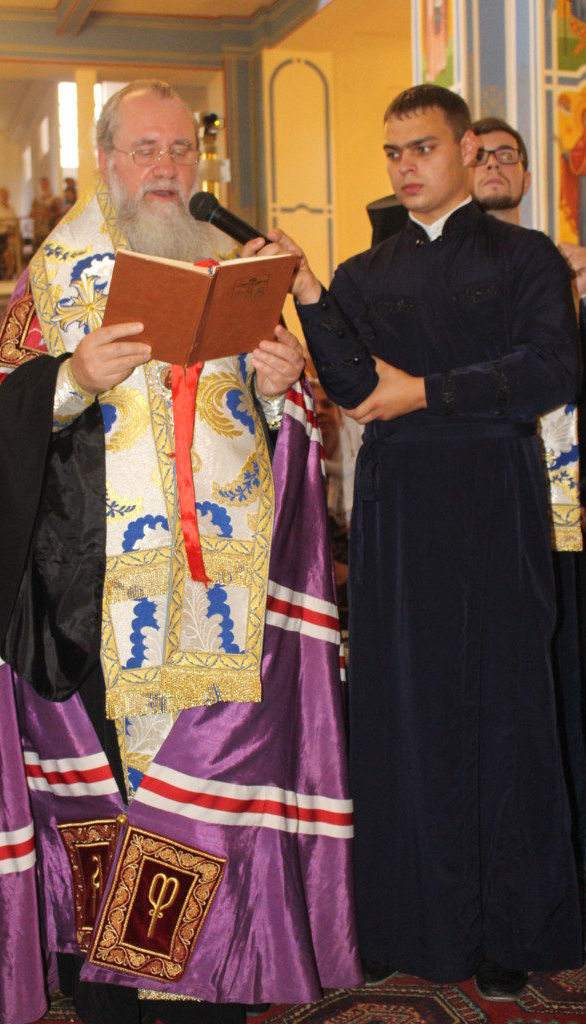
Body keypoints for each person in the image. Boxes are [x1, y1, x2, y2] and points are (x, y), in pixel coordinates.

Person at [0, 79, 360, 1024]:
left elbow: (278, 433)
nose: (166, 167)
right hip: (92, 604)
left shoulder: (234, 274)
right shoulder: (52, 279)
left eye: (180, 149)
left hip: (222, 606)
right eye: (144, 149)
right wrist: (70, 378)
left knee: (211, 811)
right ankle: (117, 1005)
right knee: (112, 818)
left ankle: (207, 1002)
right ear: (105, 161)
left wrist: (280, 389)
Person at [257, 83, 583, 998]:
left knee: (505, 707)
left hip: (494, 496)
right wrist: (310, 292)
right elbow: (349, 382)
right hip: (397, 510)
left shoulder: (523, 257)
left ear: (467, 149)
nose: (405, 167)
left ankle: (508, 931)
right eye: (393, 152)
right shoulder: (363, 273)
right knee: (400, 711)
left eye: (423, 149)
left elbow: (551, 370)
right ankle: (403, 923)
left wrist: (425, 393)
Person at [470, 116, 586, 850]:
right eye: (479, 155)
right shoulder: (442, 273)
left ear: (527, 176)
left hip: (565, 512)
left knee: (566, 679)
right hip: (485, 508)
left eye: (505, 156)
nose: (492, 166)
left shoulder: (561, 267)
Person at [30, 175, 61, 249]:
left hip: (49, 228)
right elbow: (31, 213)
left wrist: (48, 214)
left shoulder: (54, 199)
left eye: (45, 184)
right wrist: (38, 214)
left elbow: (58, 213)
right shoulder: (36, 200)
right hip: (39, 229)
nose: (43, 186)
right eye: (42, 185)